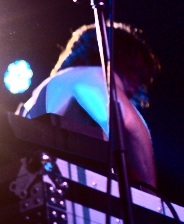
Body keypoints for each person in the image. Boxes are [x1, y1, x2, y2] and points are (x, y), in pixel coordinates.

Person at [19, 22, 159, 187]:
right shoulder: (92, 74)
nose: (137, 87)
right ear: (119, 58)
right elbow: (129, 125)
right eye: (136, 74)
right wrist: (151, 199)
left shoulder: (47, 89)